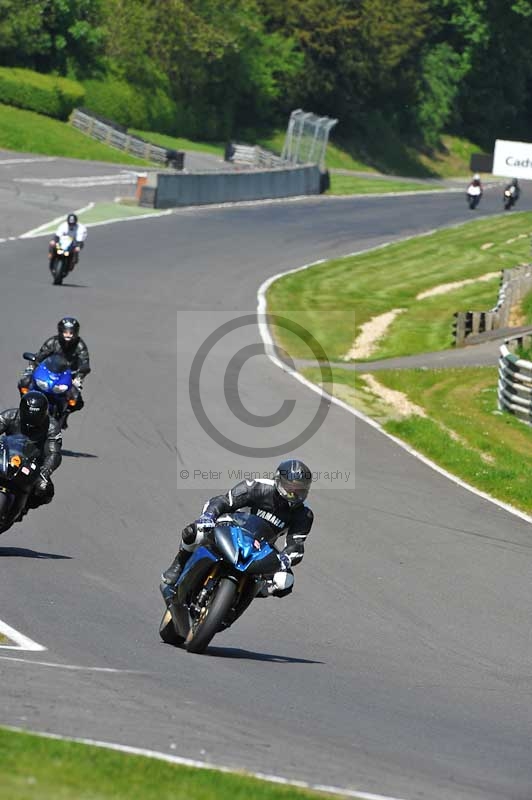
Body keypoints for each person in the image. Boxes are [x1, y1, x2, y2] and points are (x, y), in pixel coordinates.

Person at [161, 459, 314, 601]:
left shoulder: (304, 515)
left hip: (261, 546)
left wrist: (286, 558)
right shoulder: (256, 486)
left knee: (285, 582)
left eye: (300, 490)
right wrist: (208, 516)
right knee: (196, 532)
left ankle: (246, 594)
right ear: (278, 480)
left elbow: (297, 544)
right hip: (232, 527)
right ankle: (179, 564)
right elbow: (224, 501)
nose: (294, 494)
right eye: (290, 488)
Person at [18, 317, 91, 427]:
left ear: (76, 332)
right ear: (60, 331)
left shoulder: (80, 346)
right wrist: (34, 364)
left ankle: (64, 414)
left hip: (68, 376)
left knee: (76, 400)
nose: (68, 335)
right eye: (66, 332)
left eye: (71, 332)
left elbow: (84, 361)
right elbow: (40, 355)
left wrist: (79, 376)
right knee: (24, 383)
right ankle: (24, 406)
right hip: (48, 372)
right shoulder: (52, 342)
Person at [0, 391, 62, 517]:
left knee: (45, 490)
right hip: (7, 455)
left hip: (32, 464)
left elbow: (53, 452)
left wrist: (45, 471)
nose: (30, 424)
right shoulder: (9, 416)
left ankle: (24, 507)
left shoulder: (52, 426)